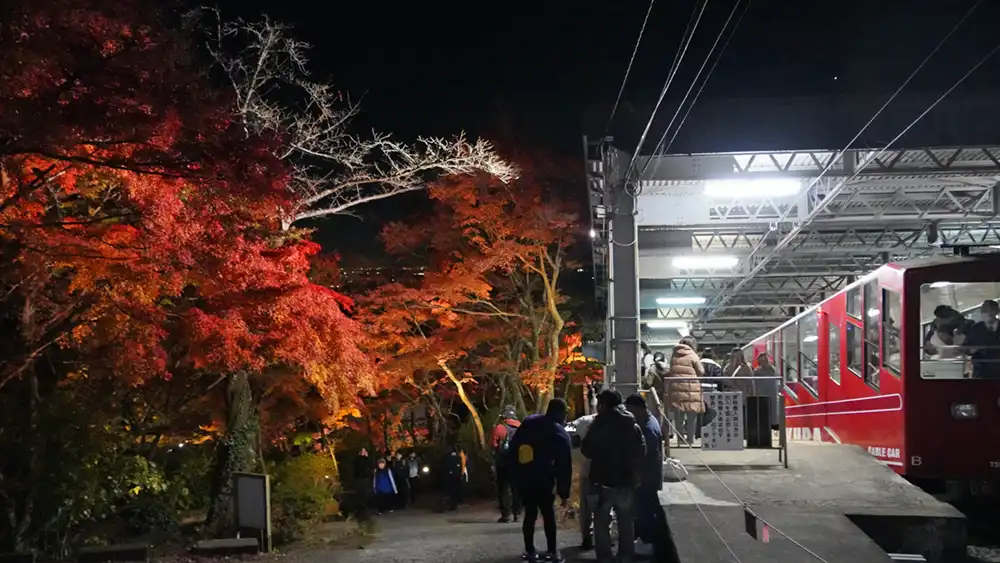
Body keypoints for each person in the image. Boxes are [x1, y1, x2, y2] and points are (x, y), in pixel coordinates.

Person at [582, 389, 646, 563]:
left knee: (602, 522)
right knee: (626, 521)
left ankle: (605, 558)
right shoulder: (632, 424)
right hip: (627, 480)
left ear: (603, 405)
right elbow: (641, 451)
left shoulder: (598, 425)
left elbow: (586, 450)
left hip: (603, 480)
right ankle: (626, 555)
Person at [508, 399, 573, 563]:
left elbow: (513, 449)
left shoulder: (529, 423)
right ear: (560, 413)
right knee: (548, 514)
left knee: (529, 514)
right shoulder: (559, 433)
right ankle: (552, 551)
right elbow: (564, 466)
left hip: (525, 477)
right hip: (544, 479)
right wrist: (563, 492)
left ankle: (530, 551)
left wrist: (514, 476)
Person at [624, 394, 679, 561]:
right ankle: (649, 542)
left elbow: (647, 456)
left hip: (646, 477)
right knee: (649, 509)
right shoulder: (650, 420)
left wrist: (637, 475)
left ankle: (647, 544)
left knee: (645, 510)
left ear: (637, 409)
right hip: (650, 476)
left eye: (630, 410)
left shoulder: (648, 428)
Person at [666, 336, 704, 447]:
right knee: (691, 415)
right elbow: (701, 371)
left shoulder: (674, 356)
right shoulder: (693, 355)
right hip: (691, 388)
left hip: (676, 388)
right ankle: (690, 439)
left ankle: (680, 439)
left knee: (679, 416)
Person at [572, 411, 598, 550]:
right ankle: (604, 536)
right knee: (606, 505)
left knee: (586, 506)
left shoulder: (583, 421)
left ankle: (587, 537)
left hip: (586, 470)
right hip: (609, 472)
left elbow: (573, 439)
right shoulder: (614, 421)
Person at [493, 405, 523, 522]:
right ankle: (518, 513)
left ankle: (506, 514)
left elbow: (494, 444)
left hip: (504, 462)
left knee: (504, 487)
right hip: (519, 461)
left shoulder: (500, 427)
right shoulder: (521, 427)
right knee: (517, 488)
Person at [963, 300, 1000, 378]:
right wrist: (972, 350)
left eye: (991, 310)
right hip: (981, 371)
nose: (988, 313)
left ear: (997, 311)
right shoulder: (976, 328)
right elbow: (966, 348)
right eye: (984, 310)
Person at [439, 439, 464, 511]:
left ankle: (451, 504)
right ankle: (452, 505)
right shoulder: (457, 457)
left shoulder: (447, 457)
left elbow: (443, 466)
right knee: (453, 491)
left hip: (450, 476)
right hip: (454, 476)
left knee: (450, 491)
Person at [352, 448, 373, 520]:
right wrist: (366, 457)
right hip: (360, 479)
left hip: (363, 478)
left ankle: (363, 508)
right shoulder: (359, 460)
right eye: (363, 451)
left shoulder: (362, 459)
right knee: (362, 494)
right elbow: (364, 467)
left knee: (363, 493)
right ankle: (362, 509)